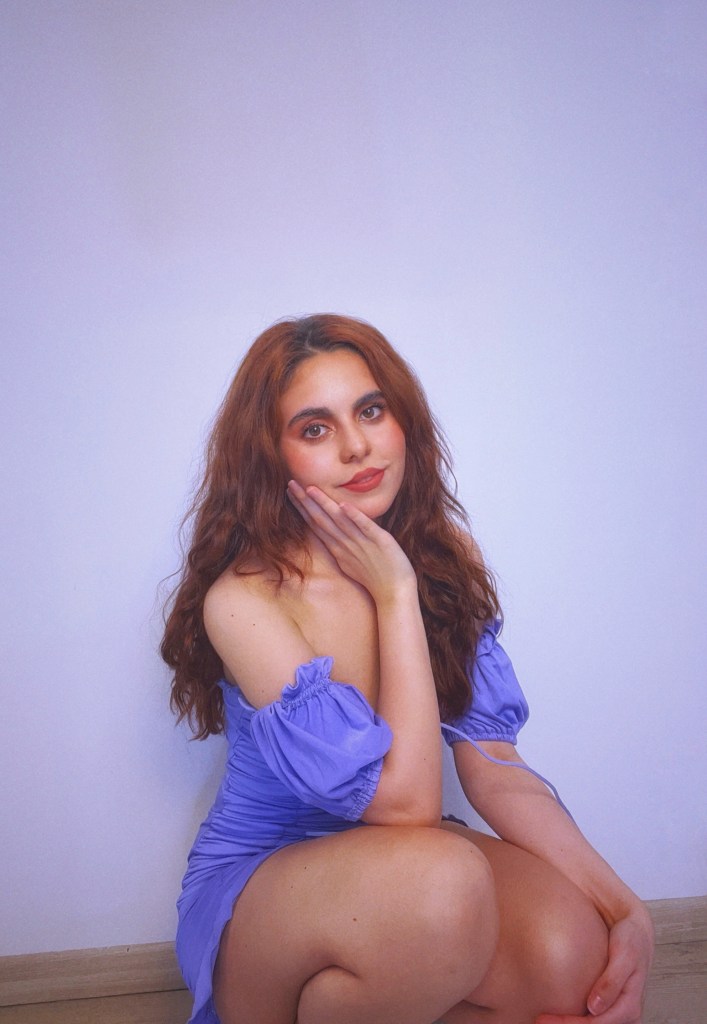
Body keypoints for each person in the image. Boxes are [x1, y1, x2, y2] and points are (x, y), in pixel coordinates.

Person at [162, 314, 654, 1024]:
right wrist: (395, 593)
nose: (356, 446)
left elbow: (494, 766)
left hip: (407, 869)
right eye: (315, 428)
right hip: (267, 886)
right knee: (443, 884)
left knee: (573, 956)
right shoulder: (245, 601)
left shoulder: (446, 555)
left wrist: (625, 908)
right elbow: (406, 806)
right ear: (270, 456)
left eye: (370, 411)